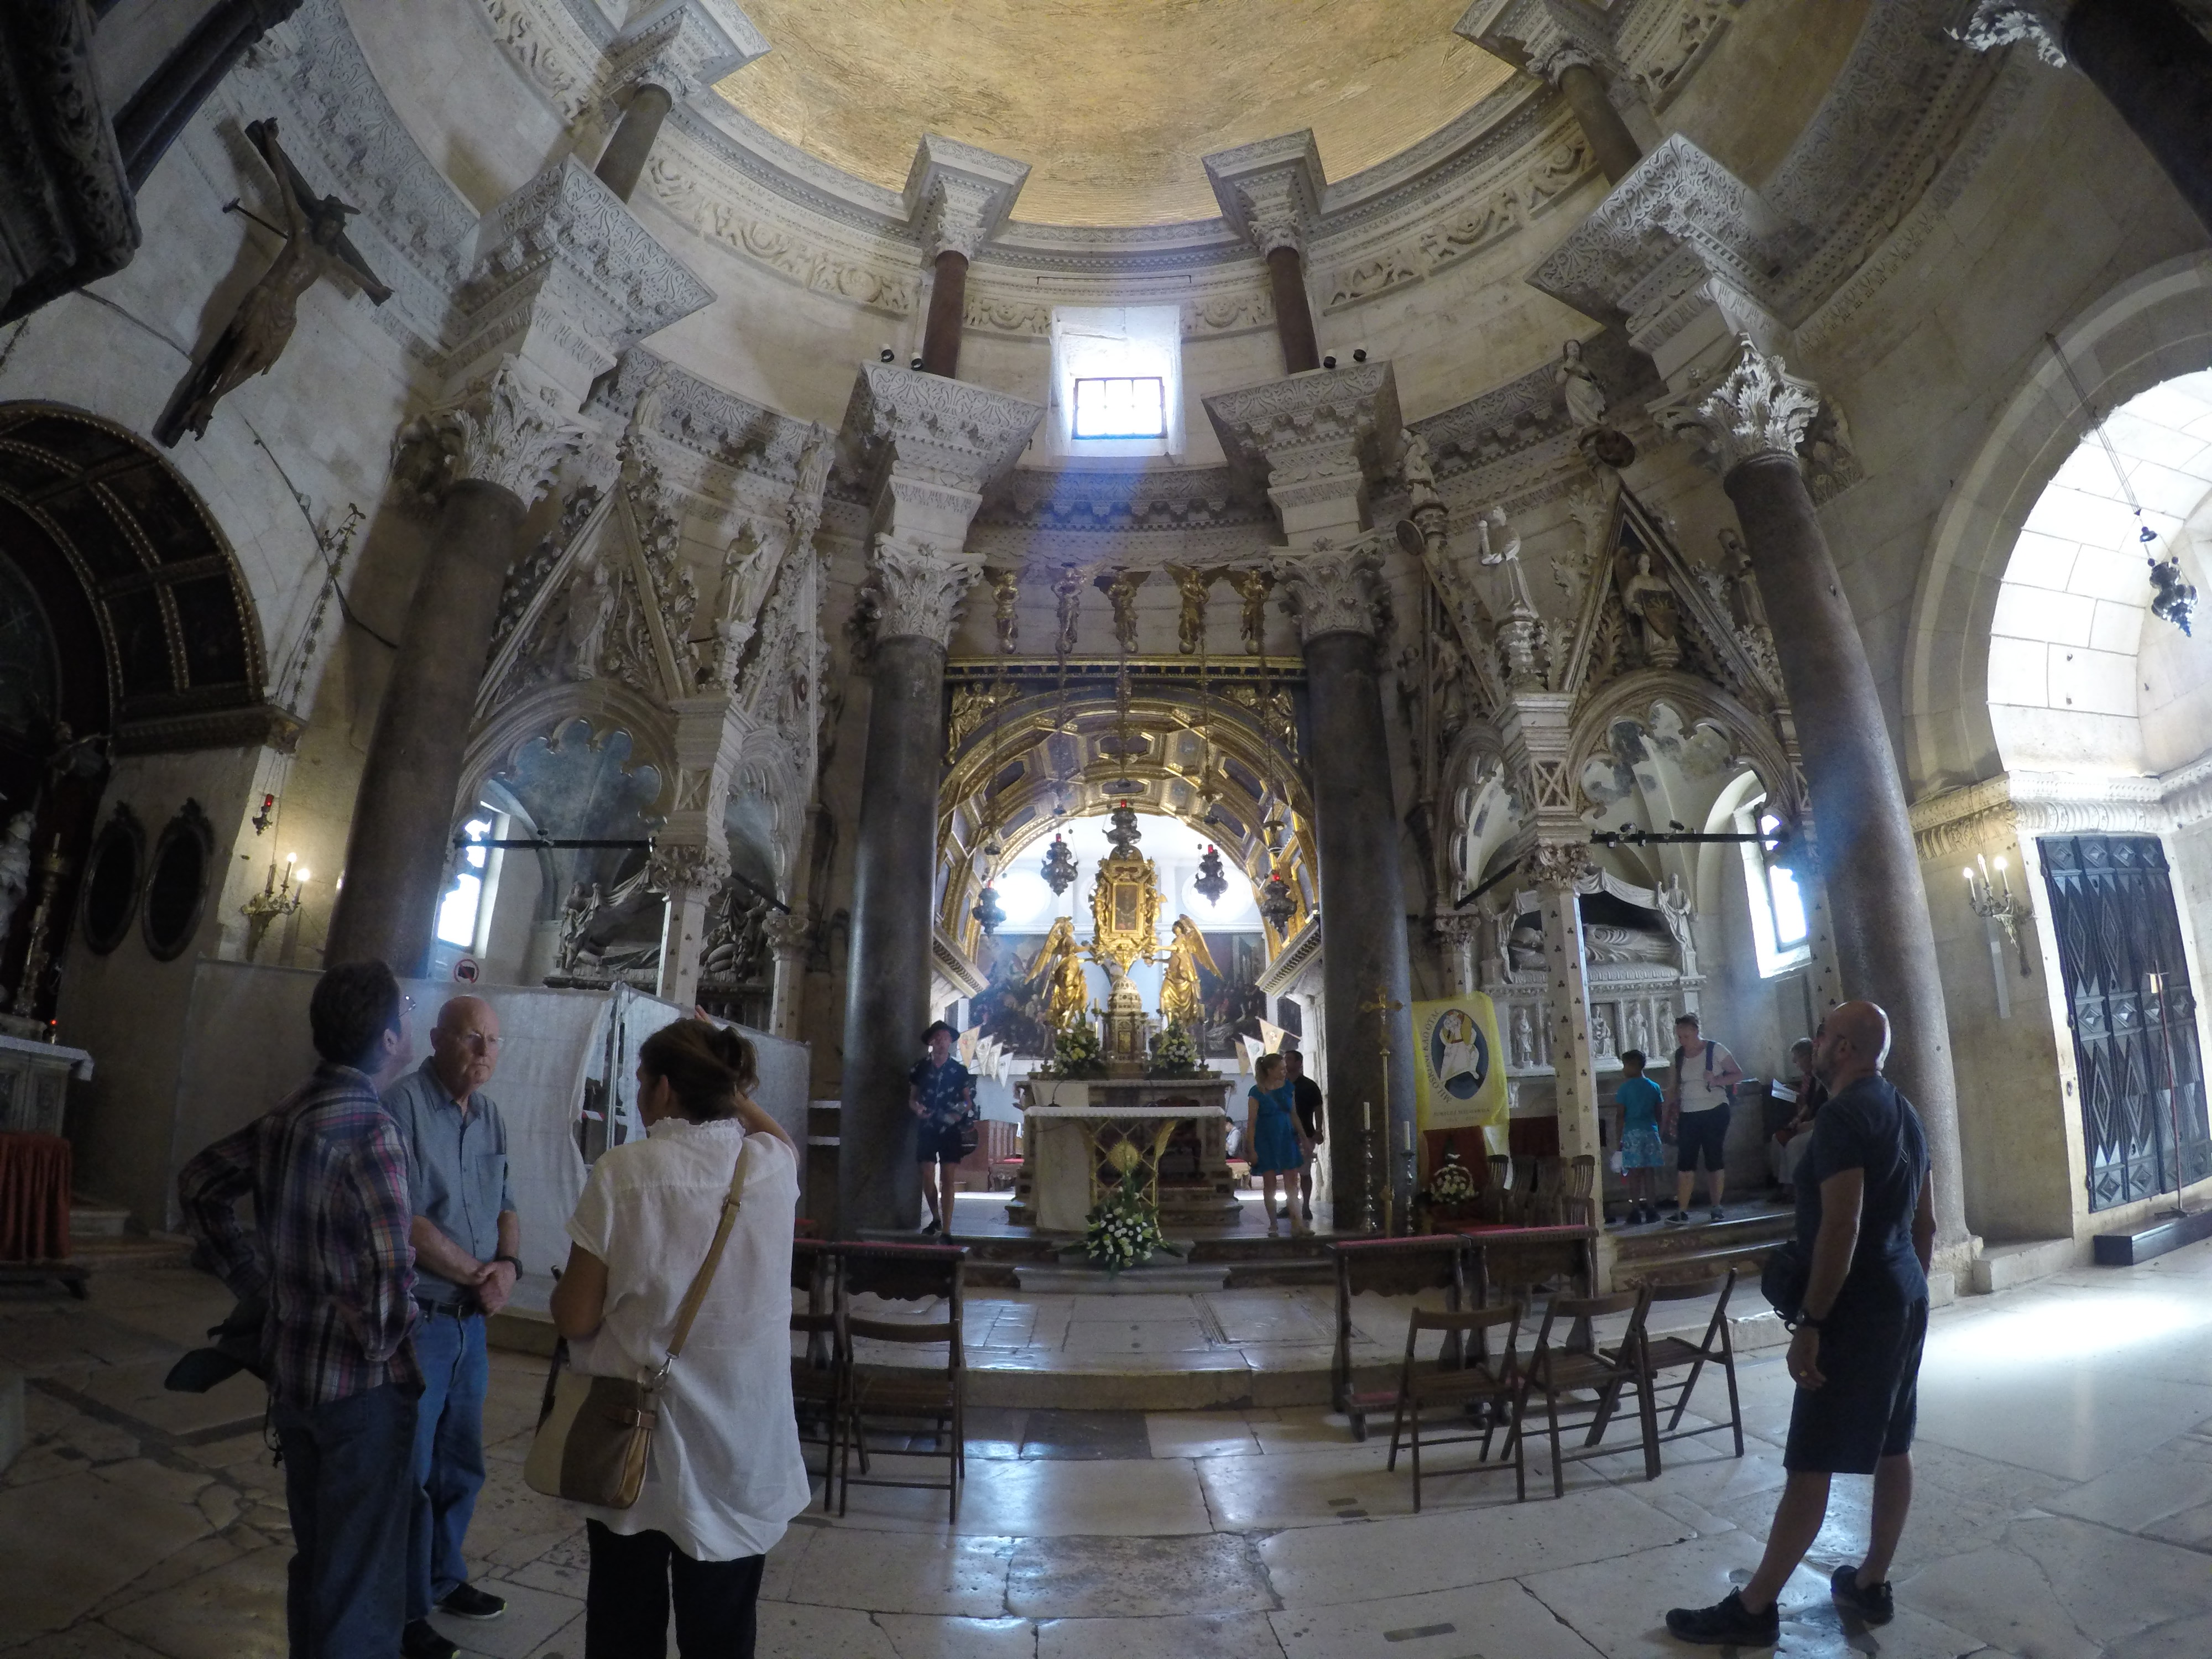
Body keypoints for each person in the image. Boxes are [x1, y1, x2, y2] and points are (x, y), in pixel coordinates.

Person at [1665, 1001, 1934, 1646]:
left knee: (1811, 1460)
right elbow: (1924, 1223)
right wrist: (1905, 1292)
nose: (1813, 1043)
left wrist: (1813, 1322)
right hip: (1902, 1294)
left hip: (1853, 1310)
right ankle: (1869, 1582)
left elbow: (1842, 1223)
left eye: (1821, 1034)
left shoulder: (1842, 1115)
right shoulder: (1905, 1110)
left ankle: (1754, 1608)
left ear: (1841, 1048)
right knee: (1893, 1444)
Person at [176, 961, 420, 1659]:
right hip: (359, 1392)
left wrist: (257, 1284)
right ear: (388, 1038)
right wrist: (386, 1337)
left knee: (318, 1561)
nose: (410, 1019)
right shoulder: (371, 1130)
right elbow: (388, 1277)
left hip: (293, 1376)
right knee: (360, 1580)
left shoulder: (288, 1114)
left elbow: (199, 1184)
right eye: (405, 1010)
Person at [549, 1019, 810, 1659]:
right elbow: (780, 1140)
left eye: (640, 1081)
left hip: (634, 1446)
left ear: (664, 1090)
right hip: (741, 1451)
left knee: (625, 1626)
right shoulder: (770, 1170)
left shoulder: (623, 1172)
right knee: (722, 1634)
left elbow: (575, 1318)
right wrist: (730, 1089)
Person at [380, 995, 520, 1658]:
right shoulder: (401, 1107)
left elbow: (507, 1203)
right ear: (437, 1039)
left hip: (472, 1328)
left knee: (461, 1464)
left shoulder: (490, 1116)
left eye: (493, 1040)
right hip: (424, 1319)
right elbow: (403, 1218)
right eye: (471, 1037)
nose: (484, 1052)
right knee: (409, 1472)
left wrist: (509, 1268)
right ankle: (404, 1609)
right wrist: (475, 1274)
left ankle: (443, 1577)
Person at [1663, 1011, 1744, 1224]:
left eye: (1686, 1036)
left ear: (1696, 1032)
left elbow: (1737, 1074)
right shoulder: (1677, 1056)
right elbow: (1672, 1088)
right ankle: (1682, 1211)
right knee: (1685, 1162)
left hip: (1715, 1110)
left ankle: (1716, 1207)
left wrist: (1716, 1080)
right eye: (1679, 1037)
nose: (1683, 1041)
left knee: (1713, 1158)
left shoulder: (1716, 1050)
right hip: (1688, 1113)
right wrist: (1665, 1116)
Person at [908, 1019, 977, 1236]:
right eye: (937, 1038)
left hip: (950, 1127)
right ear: (931, 1042)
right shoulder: (920, 1067)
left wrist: (957, 1114)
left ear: (950, 1042)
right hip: (927, 1126)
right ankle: (935, 1218)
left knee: (948, 1176)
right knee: (927, 1175)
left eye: (945, 1038)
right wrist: (917, 1109)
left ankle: (947, 1229)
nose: (941, 1041)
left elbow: (968, 1101)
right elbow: (912, 1098)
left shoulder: (959, 1070)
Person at [1244, 1053, 1312, 1238]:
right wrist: (1251, 1149)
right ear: (1270, 1070)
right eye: (1281, 1069)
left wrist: (1304, 1138)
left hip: (1286, 1139)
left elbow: (1294, 1114)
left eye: (1285, 1068)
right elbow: (1251, 1123)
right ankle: (1273, 1224)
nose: (1285, 1072)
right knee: (1270, 1184)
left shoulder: (1288, 1088)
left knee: (1292, 1183)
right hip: (1266, 1141)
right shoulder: (1256, 1092)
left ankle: (1297, 1223)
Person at [1613, 1048, 1667, 1226]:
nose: (1623, 1070)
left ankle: (1635, 1210)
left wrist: (1618, 1139)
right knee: (1649, 1173)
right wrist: (1659, 1133)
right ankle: (1652, 1210)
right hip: (1651, 1133)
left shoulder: (1624, 1089)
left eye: (1625, 1065)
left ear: (1633, 1066)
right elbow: (1659, 1114)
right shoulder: (1654, 1087)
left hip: (1632, 1134)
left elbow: (1620, 1116)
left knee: (1634, 1174)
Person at [1768, 1036, 1830, 1188]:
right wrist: (1798, 1119)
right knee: (1778, 1139)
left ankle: (1797, 1189)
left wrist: (1811, 1124)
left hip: (1822, 1124)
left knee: (1794, 1145)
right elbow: (1809, 1104)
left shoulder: (1828, 1079)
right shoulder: (1814, 1078)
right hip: (1810, 1122)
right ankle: (1784, 1186)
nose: (1795, 1063)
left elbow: (1830, 1108)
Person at [1285, 1048, 1326, 1225]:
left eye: (1289, 1059)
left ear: (1299, 1063)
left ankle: (1306, 1205)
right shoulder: (1281, 1085)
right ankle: (1290, 1204)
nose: (1286, 1062)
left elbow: (1318, 1108)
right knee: (1288, 1172)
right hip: (1285, 1134)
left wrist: (1319, 1130)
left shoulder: (1309, 1086)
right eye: (1285, 1059)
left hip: (1306, 1134)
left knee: (1304, 1171)